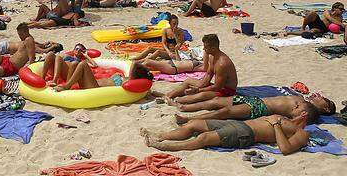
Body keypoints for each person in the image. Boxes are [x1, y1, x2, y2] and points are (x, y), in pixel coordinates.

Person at [141, 103, 318, 155]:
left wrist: (276, 125)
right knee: (193, 125)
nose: (293, 108)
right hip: (239, 124)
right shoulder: (285, 117)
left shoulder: (302, 133)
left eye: (297, 108)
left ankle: (166, 146)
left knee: (204, 138)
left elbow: (285, 149)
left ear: (303, 115)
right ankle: (161, 135)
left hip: (246, 134)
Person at [162, 34, 237, 105]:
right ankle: (168, 96)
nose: (204, 49)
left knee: (201, 95)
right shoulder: (212, 57)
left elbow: (217, 87)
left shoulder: (222, 64)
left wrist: (198, 90)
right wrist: (200, 85)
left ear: (213, 48)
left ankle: (176, 101)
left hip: (226, 91)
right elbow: (208, 74)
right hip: (219, 87)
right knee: (189, 80)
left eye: (206, 47)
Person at [174, 92, 336, 123]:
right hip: (256, 99)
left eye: (324, 100)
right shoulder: (302, 99)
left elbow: (294, 121)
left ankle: (188, 119)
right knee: (216, 100)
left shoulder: (308, 113)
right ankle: (185, 107)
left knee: (225, 112)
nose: (320, 96)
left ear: (326, 109)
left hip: (261, 108)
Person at [53, 59, 153, 92]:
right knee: (75, 63)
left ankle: (67, 86)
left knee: (83, 64)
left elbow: (134, 63)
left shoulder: (130, 81)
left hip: (94, 87)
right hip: (93, 83)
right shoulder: (125, 77)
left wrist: (144, 66)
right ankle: (67, 83)